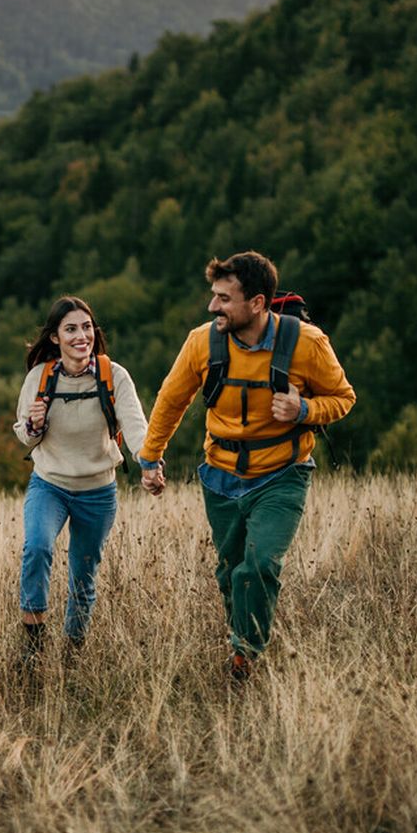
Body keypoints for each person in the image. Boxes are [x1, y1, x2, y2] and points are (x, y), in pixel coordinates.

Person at [138, 251, 355, 682]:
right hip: (219, 476)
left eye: (223, 298)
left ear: (257, 303)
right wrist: (150, 457)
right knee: (230, 571)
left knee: (258, 566)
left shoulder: (307, 344)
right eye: (213, 296)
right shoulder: (202, 342)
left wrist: (304, 409)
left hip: (281, 474)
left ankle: (244, 656)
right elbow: (171, 398)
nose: (212, 306)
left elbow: (344, 398)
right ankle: (244, 635)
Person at [13, 296, 148, 665]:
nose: (81, 335)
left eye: (86, 327)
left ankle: (73, 652)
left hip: (97, 490)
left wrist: (149, 461)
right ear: (55, 338)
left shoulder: (113, 375)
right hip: (50, 484)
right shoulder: (40, 378)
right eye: (70, 329)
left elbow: (135, 425)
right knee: (37, 547)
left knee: (83, 575)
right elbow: (25, 435)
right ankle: (34, 645)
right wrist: (34, 425)